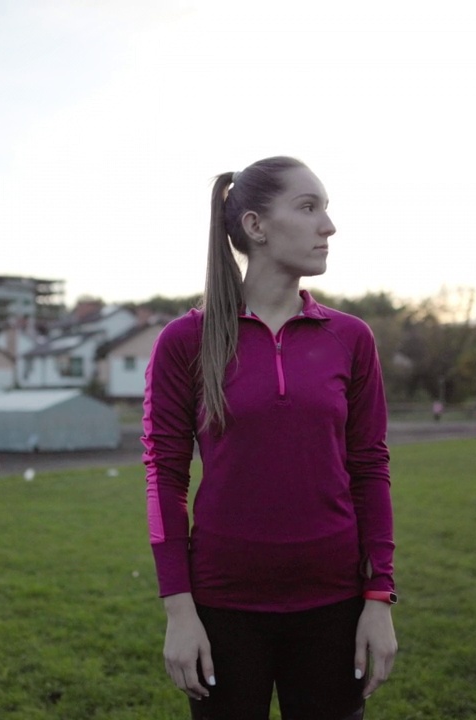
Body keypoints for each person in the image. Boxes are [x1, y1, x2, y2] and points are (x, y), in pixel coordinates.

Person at [142, 156, 397, 720]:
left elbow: (370, 467)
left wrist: (379, 597)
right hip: (222, 609)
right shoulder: (185, 341)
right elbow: (164, 477)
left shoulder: (350, 338)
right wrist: (178, 610)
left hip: (334, 606)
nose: (327, 226)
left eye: (326, 209)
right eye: (309, 208)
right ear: (256, 226)